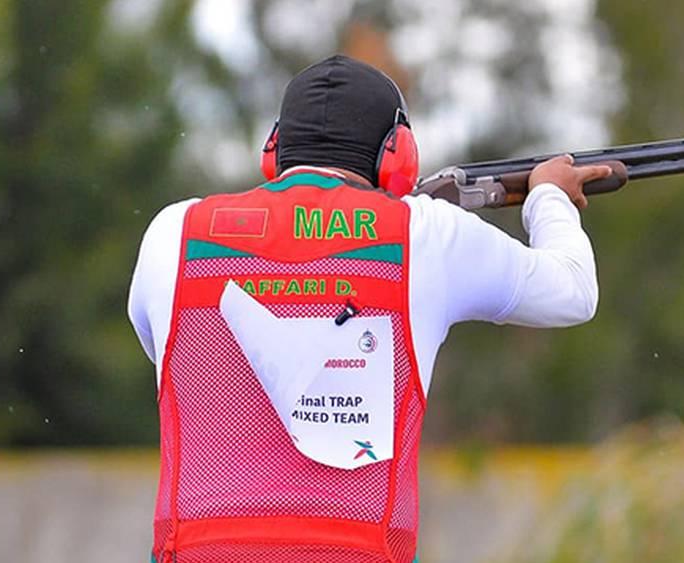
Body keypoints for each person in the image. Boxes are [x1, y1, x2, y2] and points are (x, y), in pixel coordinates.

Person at [128, 54, 610, 563]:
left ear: (274, 149)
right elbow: (573, 292)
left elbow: (165, 355)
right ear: (397, 153)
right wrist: (548, 197)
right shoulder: (424, 235)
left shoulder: (173, 233)